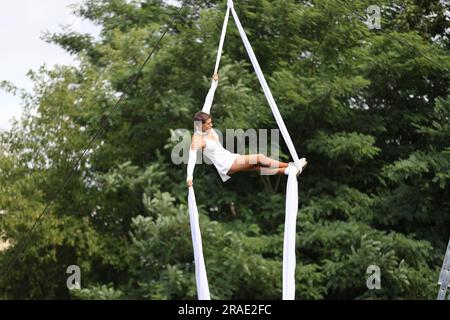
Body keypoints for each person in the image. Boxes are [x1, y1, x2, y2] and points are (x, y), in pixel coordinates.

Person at [186, 75, 307, 187]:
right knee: (259, 158)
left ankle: (287, 171)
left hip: (229, 157)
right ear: (200, 125)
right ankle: (293, 165)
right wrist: (189, 176)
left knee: (257, 167)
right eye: (208, 124)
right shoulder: (197, 139)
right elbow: (191, 158)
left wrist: (214, 83)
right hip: (225, 164)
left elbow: (208, 100)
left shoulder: (204, 118)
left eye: (210, 122)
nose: (211, 125)